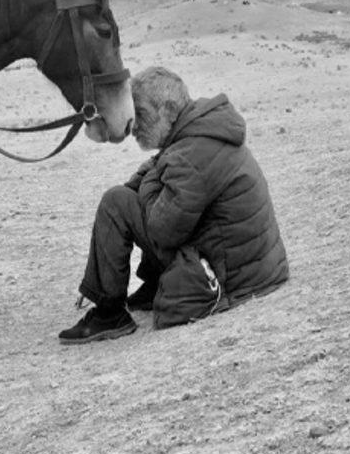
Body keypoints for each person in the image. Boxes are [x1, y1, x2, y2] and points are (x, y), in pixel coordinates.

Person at [58, 66, 289, 344]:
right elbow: (155, 175)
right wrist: (150, 180)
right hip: (253, 269)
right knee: (134, 198)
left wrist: (150, 182)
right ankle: (145, 286)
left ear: (167, 110)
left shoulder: (190, 154)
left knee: (115, 203)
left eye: (140, 114)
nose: (134, 128)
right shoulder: (198, 133)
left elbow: (161, 230)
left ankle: (109, 313)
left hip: (235, 278)